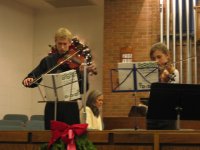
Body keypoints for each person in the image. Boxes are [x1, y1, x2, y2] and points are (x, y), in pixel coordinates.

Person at [22, 27, 96, 130]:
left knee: (71, 139)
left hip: (70, 107)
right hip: (52, 106)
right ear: (55, 42)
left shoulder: (77, 62)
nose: (62, 47)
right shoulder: (48, 61)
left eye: (65, 44)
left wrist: (83, 74)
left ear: (70, 43)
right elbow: (35, 76)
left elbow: (84, 89)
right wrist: (29, 79)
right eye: (59, 43)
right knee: (51, 138)